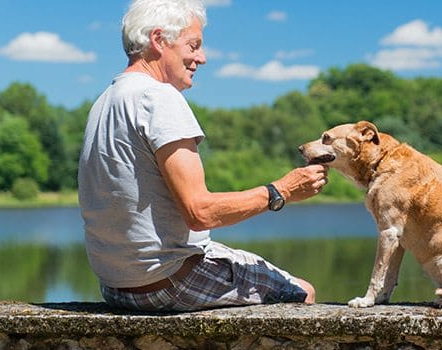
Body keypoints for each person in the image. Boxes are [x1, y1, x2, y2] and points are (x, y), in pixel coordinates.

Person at [77, 0, 327, 311]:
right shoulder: (159, 97)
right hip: (167, 282)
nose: (202, 58)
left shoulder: (105, 100)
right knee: (302, 292)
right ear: (158, 40)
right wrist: (282, 191)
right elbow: (200, 213)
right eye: (193, 45)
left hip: (115, 287)